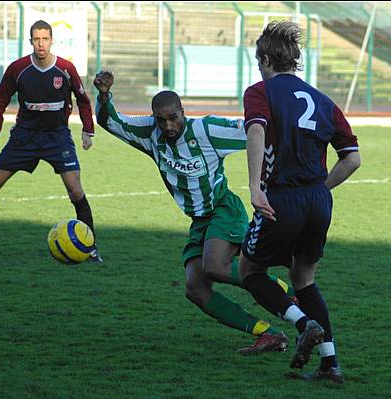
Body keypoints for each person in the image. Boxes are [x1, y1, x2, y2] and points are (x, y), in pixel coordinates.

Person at [93, 70, 295, 354]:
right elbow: (111, 121)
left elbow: (254, 130)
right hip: (200, 221)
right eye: (161, 120)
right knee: (195, 289)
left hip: (224, 209)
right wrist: (104, 96)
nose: (168, 125)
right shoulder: (150, 134)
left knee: (214, 266)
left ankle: (285, 293)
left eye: (173, 117)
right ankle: (269, 333)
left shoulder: (207, 130)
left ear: (183, 112)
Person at [238, 21, 361, 383]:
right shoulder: (323, 101)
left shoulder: (260, 92)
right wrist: (320, 189)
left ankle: (304, 324)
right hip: (319, 201)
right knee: (303, 280)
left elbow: (256, 130)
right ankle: (330, 365)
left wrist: (254, 187)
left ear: (264, 59)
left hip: (281, 198)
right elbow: (352, 158)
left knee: (250, 271)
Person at [0, 20, 102, 262]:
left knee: (75, 189)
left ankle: (90, 248)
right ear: (30, 42)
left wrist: (87, 130)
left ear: (52, 41)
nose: (41, 44)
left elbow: (82, 99)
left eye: (45, 39)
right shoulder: (18, 69)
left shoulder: (65, 69)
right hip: (24, 137)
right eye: (36, 39)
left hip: (57, 138)